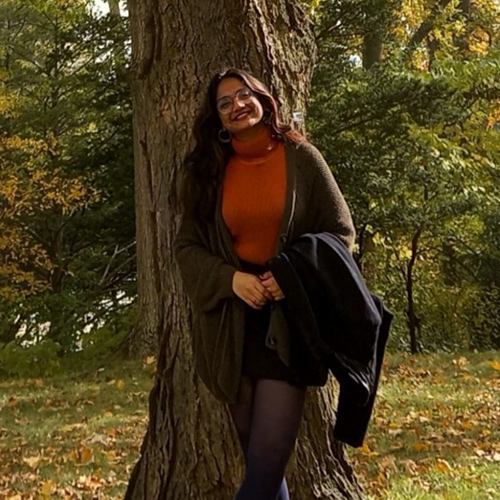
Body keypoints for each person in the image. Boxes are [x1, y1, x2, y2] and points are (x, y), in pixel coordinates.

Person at [174, 68, 355, 500]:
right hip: (230, 328)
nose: (237, 105)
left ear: (263, 99)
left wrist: (292, 278)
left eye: (244, 95)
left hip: (290, 326)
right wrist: (231, 279)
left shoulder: (302, 158)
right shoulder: (206, 171)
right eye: (224, 102)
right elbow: (187, 247)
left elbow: (341, 233)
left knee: (266, 465)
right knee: (261, 466)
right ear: (216, 118)